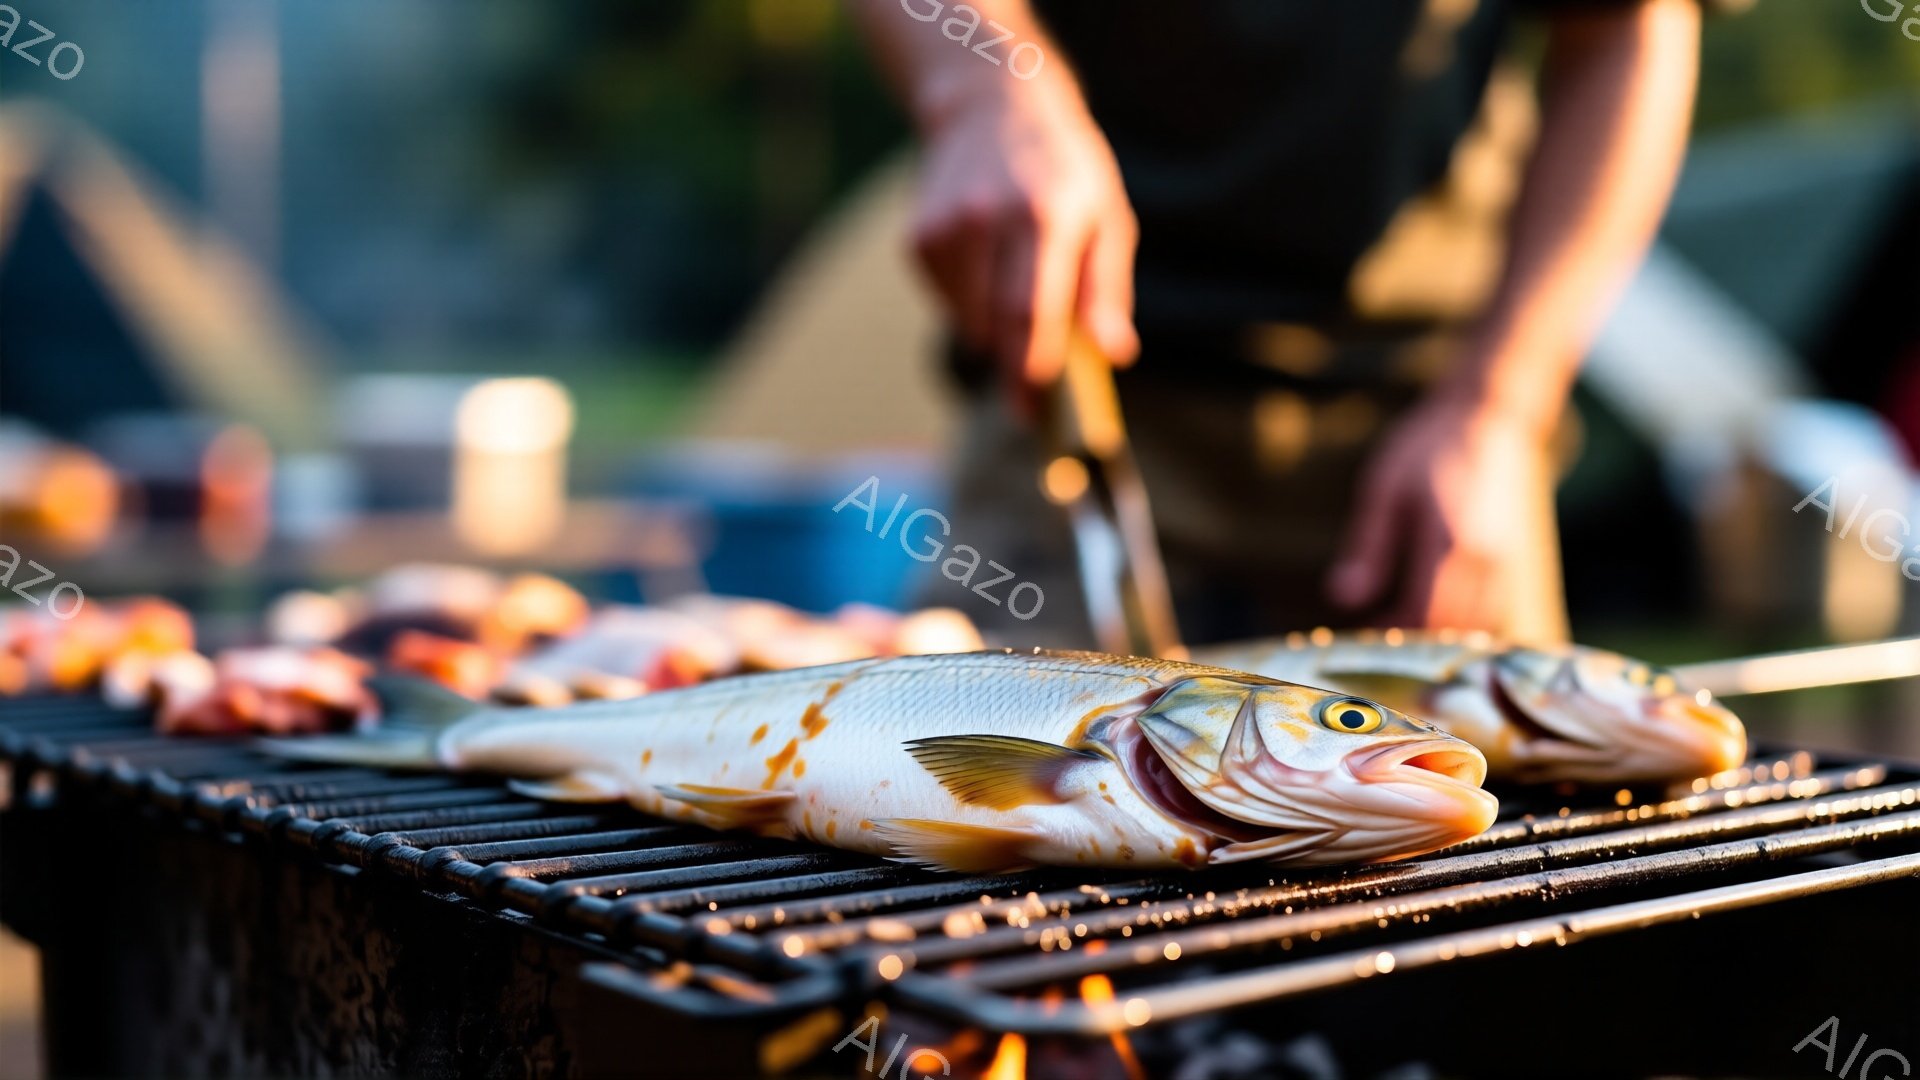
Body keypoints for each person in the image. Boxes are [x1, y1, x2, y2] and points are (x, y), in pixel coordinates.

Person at [850, 0, 1710, 648]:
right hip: (1066, 405)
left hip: (1435, 436)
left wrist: (1500, 406)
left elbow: (1627, 31)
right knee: (981, 796)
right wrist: (983, 86)